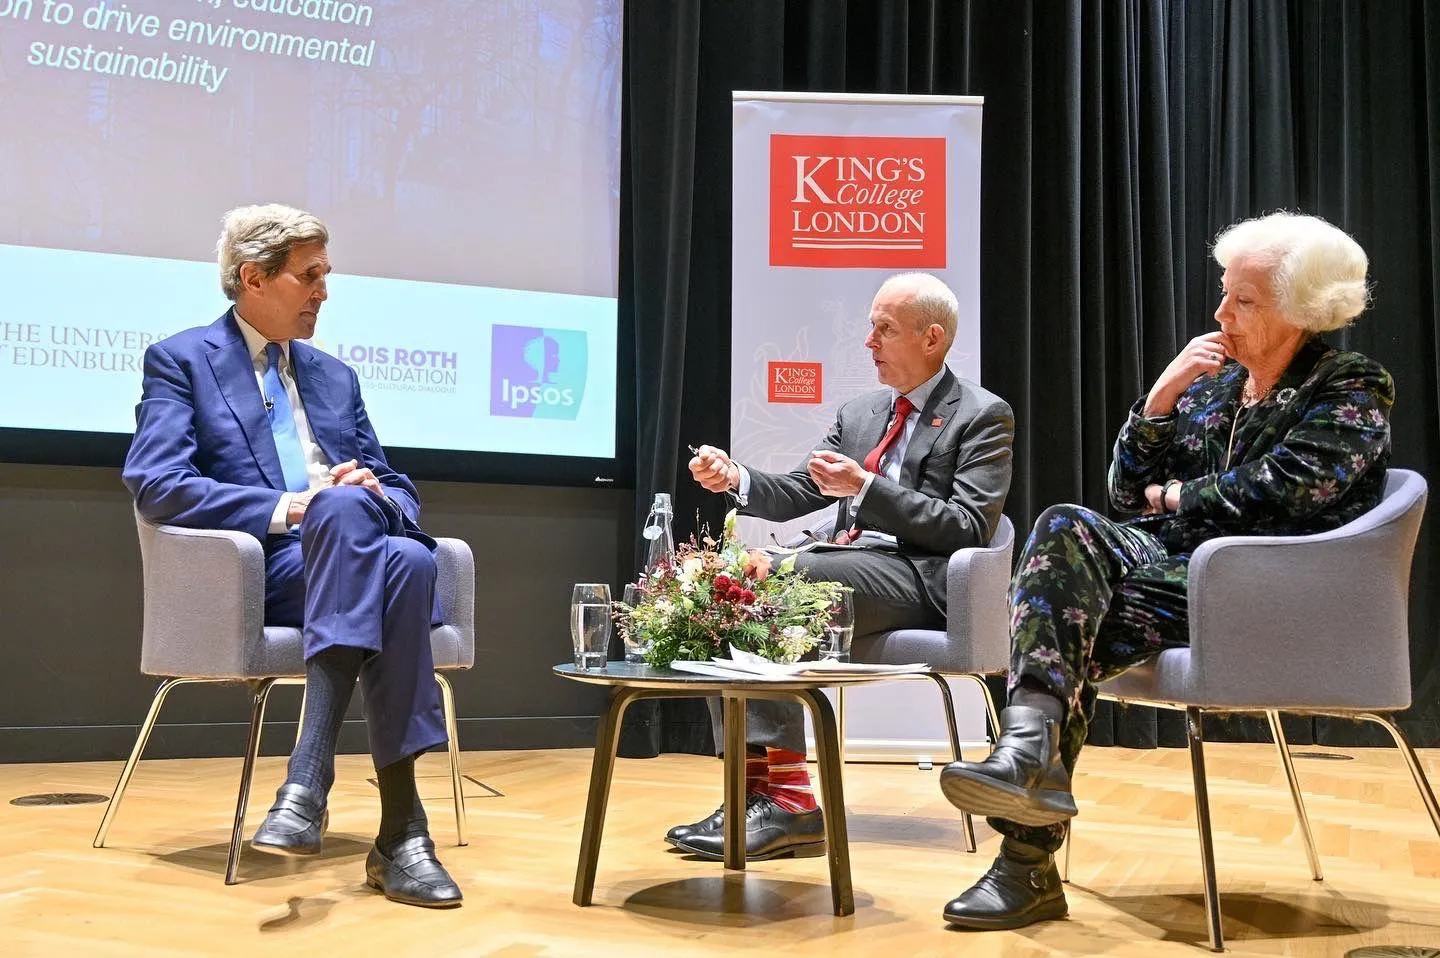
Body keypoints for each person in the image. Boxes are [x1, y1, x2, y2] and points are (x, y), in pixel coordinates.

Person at [937, 212, 1392, 930]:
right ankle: (1030, 756)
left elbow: (1291, 488)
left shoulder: (1350, 386)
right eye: (1223, 293)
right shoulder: (1212, 389)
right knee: (1063, 525)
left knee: (1066, 623)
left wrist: (1178, 496)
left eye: (1243, 301)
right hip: (1174, 570)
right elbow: (1123, 497)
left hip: (1270, 588)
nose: (1219, 313)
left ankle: (1026, 850)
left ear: (1304, 312)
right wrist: (1158, 401)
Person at [121, 204, 462, 908]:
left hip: (346, 557)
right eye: (309, 277)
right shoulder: (182, 361)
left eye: (325, 276)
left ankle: (311, 786)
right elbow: (157, 483)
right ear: (254, 277)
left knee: (386, 541)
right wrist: (289, 508)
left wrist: (373, 490)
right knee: (406, 566)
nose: (323, 292)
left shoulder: (335, 378)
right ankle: (400, 831)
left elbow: (399, 487)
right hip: (261, 570)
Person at [677, 272, 1015, 861]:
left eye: (885, 329)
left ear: (931, 338)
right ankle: (753, 792)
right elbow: (804, 490)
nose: (870, 342)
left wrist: (868, 486)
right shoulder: (861, 413)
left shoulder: (983, 416)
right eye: (870, 326)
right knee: (725, 588)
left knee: (783, 578)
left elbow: (968, 525)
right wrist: (737, 478)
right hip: (848, 562)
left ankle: (788, 803)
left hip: (918, 575)